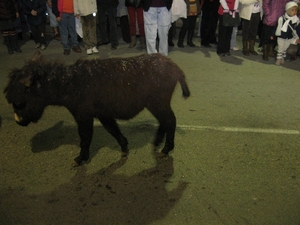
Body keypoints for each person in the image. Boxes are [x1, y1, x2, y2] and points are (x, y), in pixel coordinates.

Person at [275, 2, 300, 66]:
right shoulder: (282, 18)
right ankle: (278, 59)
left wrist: (297, 38)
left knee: (284, 48)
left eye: (296, 10)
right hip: (281, 36)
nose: (294, 12)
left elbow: (296, 30)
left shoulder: (296, 20)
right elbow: (277, 27)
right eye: (292, 10)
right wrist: (273, 34)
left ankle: (282, 58)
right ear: (288, 10)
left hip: (289, 37)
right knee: (280, 48)